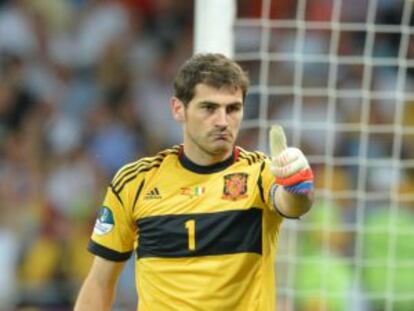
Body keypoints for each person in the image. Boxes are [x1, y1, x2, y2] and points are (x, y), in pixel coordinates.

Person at [74, 53, 314, 311]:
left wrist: (297, 185)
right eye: (209, 108)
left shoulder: (259, 174)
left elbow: (292, 205)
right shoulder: (135, 183)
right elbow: (100, 281)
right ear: (178, 109)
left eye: (232, 108)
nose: (222, 121)